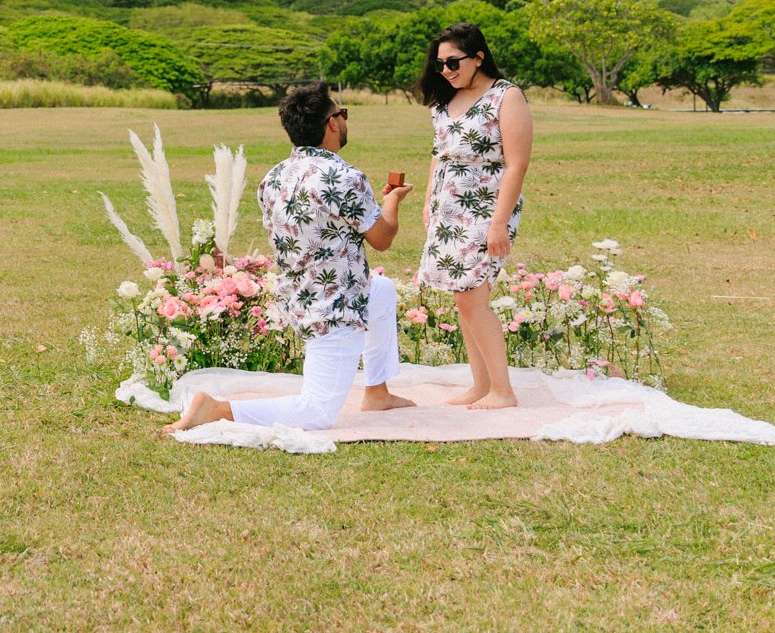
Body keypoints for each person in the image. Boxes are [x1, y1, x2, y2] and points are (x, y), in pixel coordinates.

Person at [166, 81, 414, 434]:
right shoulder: (345, 176)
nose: (344, 120)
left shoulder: (273, 178)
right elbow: (383, 238)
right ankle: (218, 409)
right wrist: (392, 202)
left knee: (383, 290)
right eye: (342, 114)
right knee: (316, 413)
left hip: (299, 298)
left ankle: (377, 391)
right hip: (335, 308)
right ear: (331, 123)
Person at [416, 22, 533, 409]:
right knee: (462, 297)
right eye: (440, 65)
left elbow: (516, 164)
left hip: (486, 206)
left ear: (478, 57)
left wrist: (499, 222)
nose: (446, 71)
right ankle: (481, 384)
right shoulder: (444, 102)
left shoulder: (506, 96)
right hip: (446, 207)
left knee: (472, 294)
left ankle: (503, 390)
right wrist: (428, 202)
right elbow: (439, 153)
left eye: (453, 62)